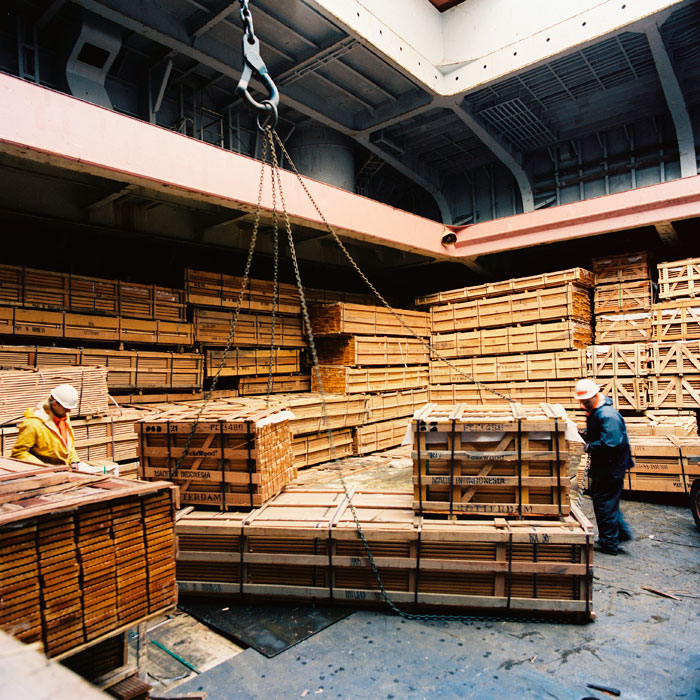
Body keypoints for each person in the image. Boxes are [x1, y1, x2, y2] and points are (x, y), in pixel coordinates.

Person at [576, 378, 634, 555]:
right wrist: (585, 434)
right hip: (605, 466)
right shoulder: (597, 411)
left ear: (594, 396)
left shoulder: (607, 414)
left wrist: (589, 446)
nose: (583, 405)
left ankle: (609, 542)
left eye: (585, 401)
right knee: (607, 501)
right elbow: (601, 432)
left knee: (604, 503)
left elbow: (611, 442)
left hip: (610, 468)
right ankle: (620, 533)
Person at [11, 384, 80, 466]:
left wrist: (74, 461)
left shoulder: (63, 417)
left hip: (63, 468)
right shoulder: (33, 424)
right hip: (43, 470)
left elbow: (68, 444)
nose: (69, 411)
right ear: (54, 404)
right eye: (66, 408)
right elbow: (19, 452)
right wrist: (43, 468)